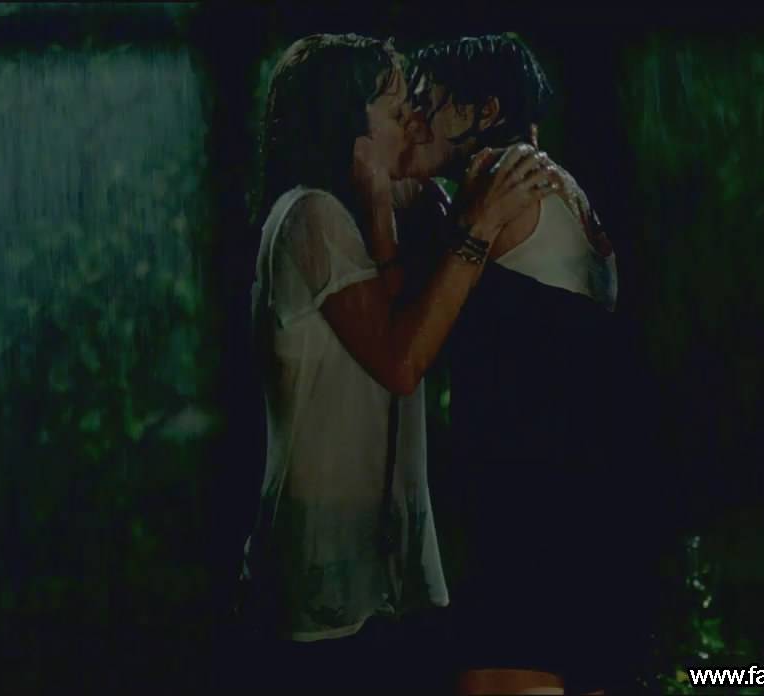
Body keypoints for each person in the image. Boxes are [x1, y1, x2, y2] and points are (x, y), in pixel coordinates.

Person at [236, 33, 564, 692]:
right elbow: (400, 361)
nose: (412, 122)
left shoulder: (368, 207)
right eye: (394, 111)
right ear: (348, 128)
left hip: (384, 561)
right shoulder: (311, 215)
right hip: (325, 567)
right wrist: (473, 226)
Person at [400, 34, 628, 695]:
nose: (414, 119)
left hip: (527, 495)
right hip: (570, 485)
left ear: (485, 110)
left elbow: (414, 320)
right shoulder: (558, 186)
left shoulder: (500, 180)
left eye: (428, 102)